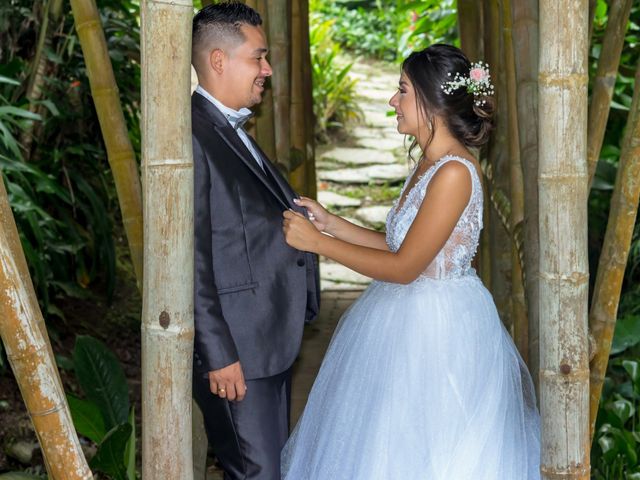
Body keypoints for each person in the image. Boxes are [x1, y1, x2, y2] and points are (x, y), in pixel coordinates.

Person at [281, 44, 540, 479]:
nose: (392, 101)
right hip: (406, 314)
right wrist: (330, 224)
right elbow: (399, 244)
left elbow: (405, 268)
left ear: (431, 101)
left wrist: (317, 245)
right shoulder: (429, 162)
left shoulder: (456, 173)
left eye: (402, 90)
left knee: (428, 444)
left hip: (437, 329)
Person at [191, 2, 320, 479]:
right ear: (219, 60)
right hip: (236, 350)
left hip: (269, 338)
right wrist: (218, 353)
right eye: (258, 57)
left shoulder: (228, 127)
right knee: (258, 472)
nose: (267, 69)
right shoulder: (193, 133)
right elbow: (192, 257)